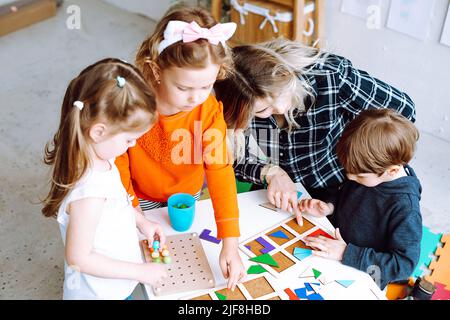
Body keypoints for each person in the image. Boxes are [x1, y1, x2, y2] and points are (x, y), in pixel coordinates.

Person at [214, 39, 416, 226]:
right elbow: (231, 160)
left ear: (284, 74)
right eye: (261, 111)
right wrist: (270, 172)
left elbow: (404, 112)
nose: (282, 109)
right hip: (280, 191)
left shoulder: (329, 75)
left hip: (343, 187)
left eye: (281, 93)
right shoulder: (226, 109)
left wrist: (362, 152)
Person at [115, 5, 245, 290]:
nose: (195, 98)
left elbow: (220, 170)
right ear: (155, 69)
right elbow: (118, 163)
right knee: (142, 268)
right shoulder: (133, 105)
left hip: (188, 195)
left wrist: (230, 242)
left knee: (184, 258)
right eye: (184, 88)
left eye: (205, 86)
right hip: (139, 197)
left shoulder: (208, 110)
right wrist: (134, 212)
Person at [42, 58, 167, 299]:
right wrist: (141, 272)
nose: (132, 146)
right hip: (99, 293)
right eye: (129, 140)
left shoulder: (101, 158)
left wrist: (142, 222)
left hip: (116, 284)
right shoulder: (89, 192)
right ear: (99, 132)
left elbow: (117, 205)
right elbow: (79, 257)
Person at [298, 109, 422, 289]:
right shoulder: (365, 170)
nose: (351, 179)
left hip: (363, 274)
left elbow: (402, 266)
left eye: (359, 177)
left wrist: (347, 253)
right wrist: (330, 206)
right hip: (332, 250)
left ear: (392, 171)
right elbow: (346, 194)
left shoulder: (406, 209)